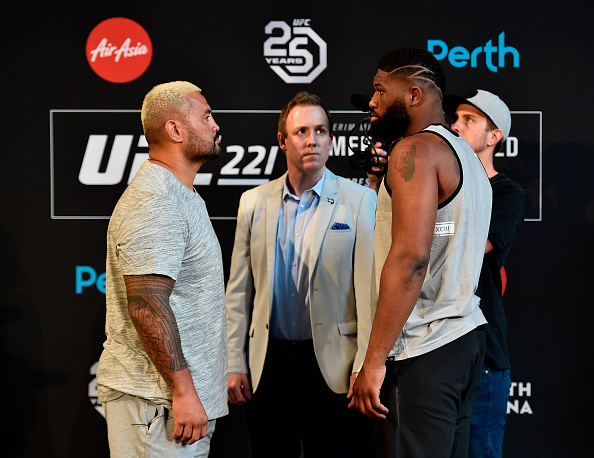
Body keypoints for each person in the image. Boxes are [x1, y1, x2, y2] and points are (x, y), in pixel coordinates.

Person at [349, 47, 492, 458]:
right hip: (462, 343)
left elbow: (411, 260)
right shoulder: (467, 154)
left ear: (413, 95)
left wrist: (374, 361)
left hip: (422, 349)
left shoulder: (414, 150)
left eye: (380, 90)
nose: (372, 101)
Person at [225, 92, 377, 457]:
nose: (312, 140)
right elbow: (238, 293)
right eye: (302, 131)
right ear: (282, 141)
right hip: (268, 366)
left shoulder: (359, 201)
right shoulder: (253, 202)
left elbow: (369, 293)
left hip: (334, 366)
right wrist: (234, 362)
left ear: (331, 139)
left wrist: (364, 364)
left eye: (321, 130)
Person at [96, 81, 228, 457]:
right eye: (206, 116)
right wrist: (183, 391)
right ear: (175, 130)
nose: (216, 125)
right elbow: (146, 304)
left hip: (170, 401)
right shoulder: (155, 200)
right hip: (157, 402)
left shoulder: (179, 194)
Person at [444, 89, 525, 458]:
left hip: (485, 356)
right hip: (436, 352)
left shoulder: (505, 193)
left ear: (494, 137)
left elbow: (475, 244)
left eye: (469, 120)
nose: (455, 125)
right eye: (455, 118)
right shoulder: (437, 185)